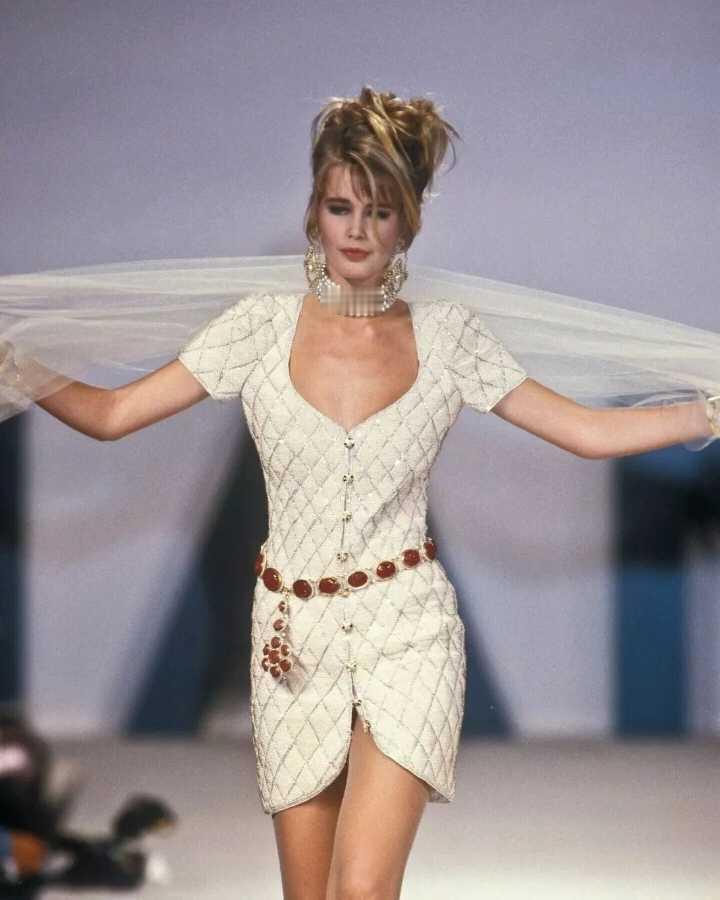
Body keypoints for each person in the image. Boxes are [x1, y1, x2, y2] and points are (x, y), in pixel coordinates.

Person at [2, 86, 719, 900]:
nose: (356, 230)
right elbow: (112, 415)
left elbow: (585, 430)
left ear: (408, 224)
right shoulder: (258, 329)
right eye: (341, 207)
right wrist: (18, 369)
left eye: (379, 212)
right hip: (291, 641)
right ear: (314, 211)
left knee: (362, 890)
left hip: (409, 629)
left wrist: (708, 411)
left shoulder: (449, 339)